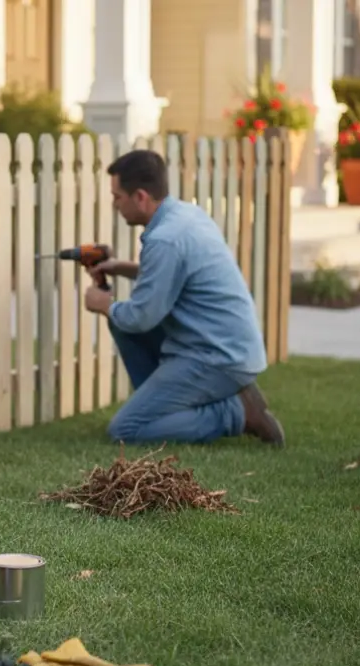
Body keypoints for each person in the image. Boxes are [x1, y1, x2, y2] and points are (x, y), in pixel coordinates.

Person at [83, 148, 284, 448]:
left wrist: (104, 305)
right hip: (226, 347)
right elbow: (176, 277)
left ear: (140, 196)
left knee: (126, 429)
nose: (115, 205)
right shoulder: (184, 215)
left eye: (117, 197)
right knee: (121, 324)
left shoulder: (165, 239)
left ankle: (236, 413)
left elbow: (142, 317)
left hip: (217, 357)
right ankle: (169, 405)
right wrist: (124, 268)